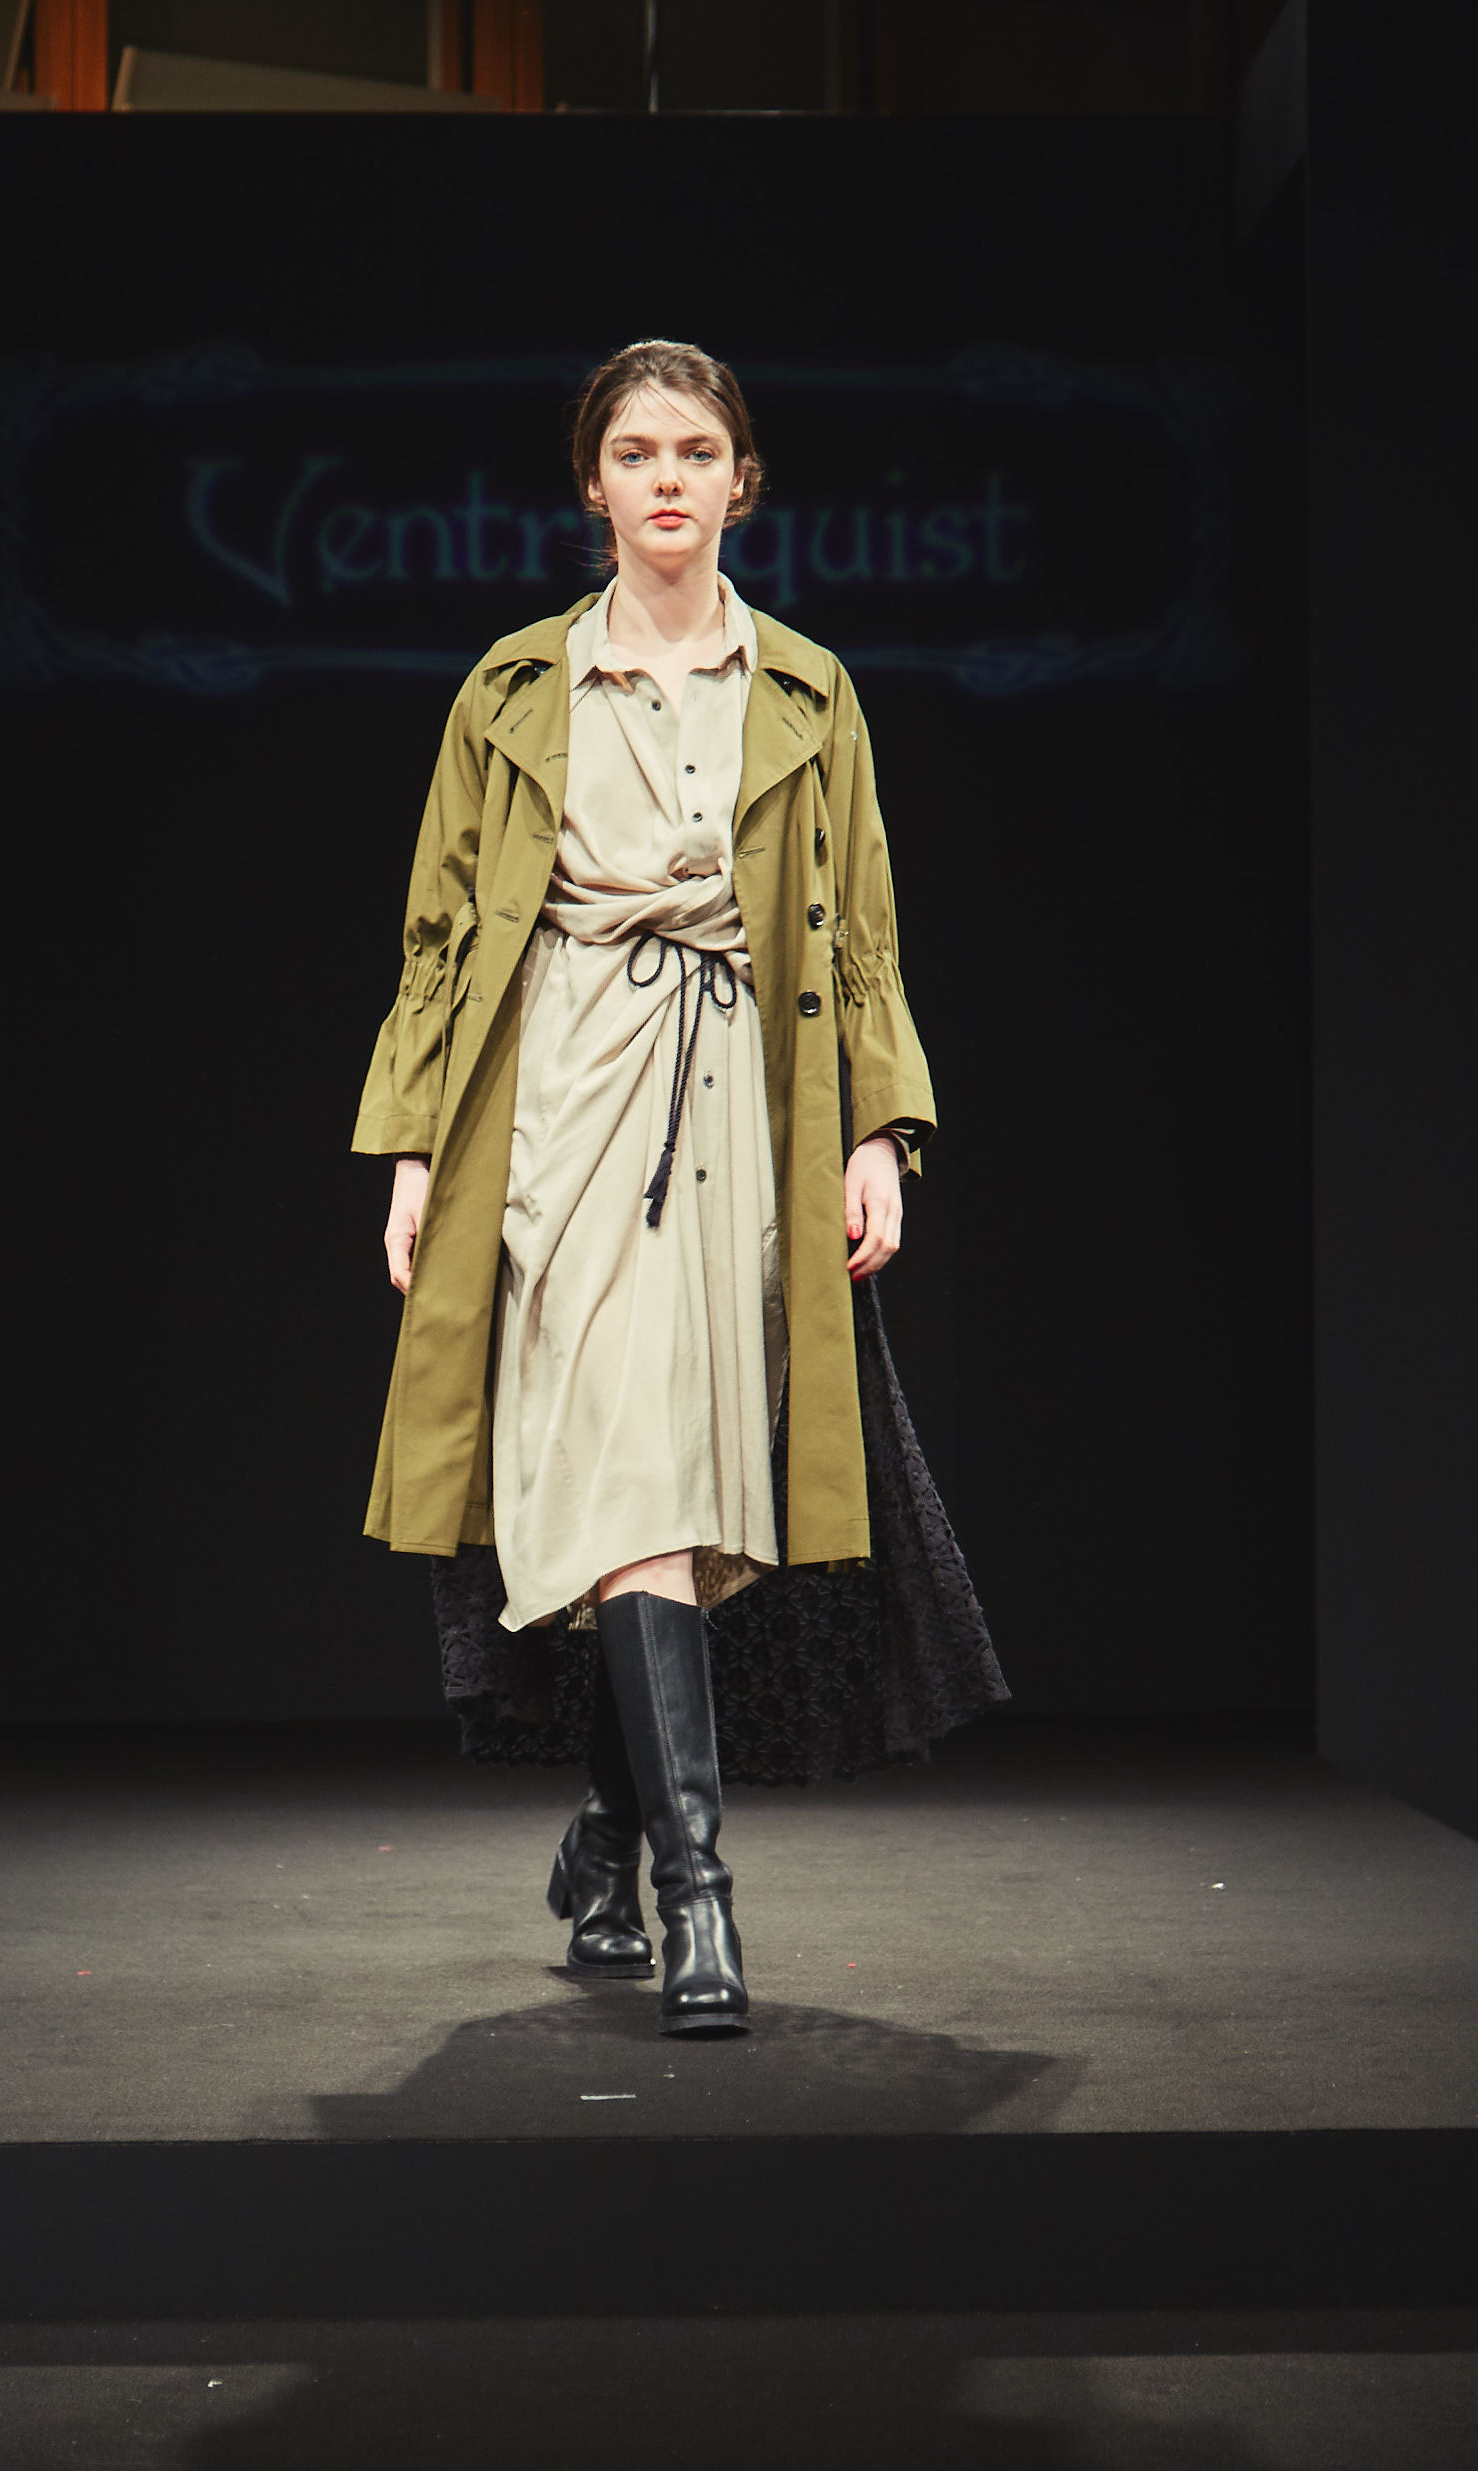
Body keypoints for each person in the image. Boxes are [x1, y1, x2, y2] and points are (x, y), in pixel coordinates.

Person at [352, 339, 1006, 2039]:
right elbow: (439, 933)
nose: (665, 477)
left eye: (695, 450)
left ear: (740, 481)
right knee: (631, 1471)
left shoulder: (807, 690)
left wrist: (876, 1132)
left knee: (687, 1490)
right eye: (635, 450)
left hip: (739, 1106)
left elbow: (860, 936)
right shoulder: (513, 689)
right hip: (556, 1099)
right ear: (595, 483)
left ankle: (608, 1832)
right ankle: (701, 1890)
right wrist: (415, 1148)